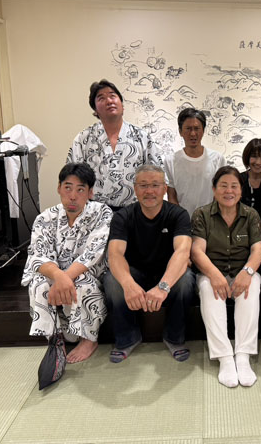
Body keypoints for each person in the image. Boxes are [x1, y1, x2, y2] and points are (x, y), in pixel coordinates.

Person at [21, 162, 112, 363]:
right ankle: (55, 339)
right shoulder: (45, 217)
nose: (72, 196)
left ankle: (89, 339)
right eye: (68, 188)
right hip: (56, 276)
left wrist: (65, 278)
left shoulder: (102, 213)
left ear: (90, 192)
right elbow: (38, 255)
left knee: (83, 282)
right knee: (39, 283)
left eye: (80, 189)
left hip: (88, 276)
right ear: (59, 188)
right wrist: (59, 277)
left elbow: (93, 253)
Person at [104, 164, 195, 363]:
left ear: (164, 188)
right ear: (135, 189)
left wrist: (163, 287)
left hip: (167, 273)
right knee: (112, 281)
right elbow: (115, 254)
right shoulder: (122, 216)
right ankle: (127, 339)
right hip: (135, 272)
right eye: (143, 185)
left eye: (155, 185)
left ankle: (174, 338)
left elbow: (182, 252)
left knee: (186, 279)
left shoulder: (178, 214)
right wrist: (128, 285)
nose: (149, 191)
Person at [191, 166, 261, 388]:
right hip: (211, 271)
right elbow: (197, 251)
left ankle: (243, 356)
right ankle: (224, 357)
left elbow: (258, 251)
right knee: (208, 289)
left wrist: (247, 272)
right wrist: (214, 274)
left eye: (234, 186)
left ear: (241, 190)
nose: (229, 191)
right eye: (223, 186)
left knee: (252, 288)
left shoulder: (251, 215)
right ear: (214, 189)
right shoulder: (202, 214)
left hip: (243, 270)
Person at [66, 79, 164, 211]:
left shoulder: (142, 137)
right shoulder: (83, 138)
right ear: (95, 110)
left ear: (122, 106)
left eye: (112, 96)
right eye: (101, 98)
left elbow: (157, 174)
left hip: (135, 212)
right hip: (94, 212)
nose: (109, 101)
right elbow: (72, 177)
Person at [164, 108, 226, 216]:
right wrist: (180, 219)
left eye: (197, 128)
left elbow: (220, 192)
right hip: (182, 220)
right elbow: (172, 195)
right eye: (188, 128)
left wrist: (210, 218)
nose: (193, 133)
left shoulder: (218, 159)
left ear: (203, 130)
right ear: (180, 131)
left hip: (210, 219)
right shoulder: (170, 161)